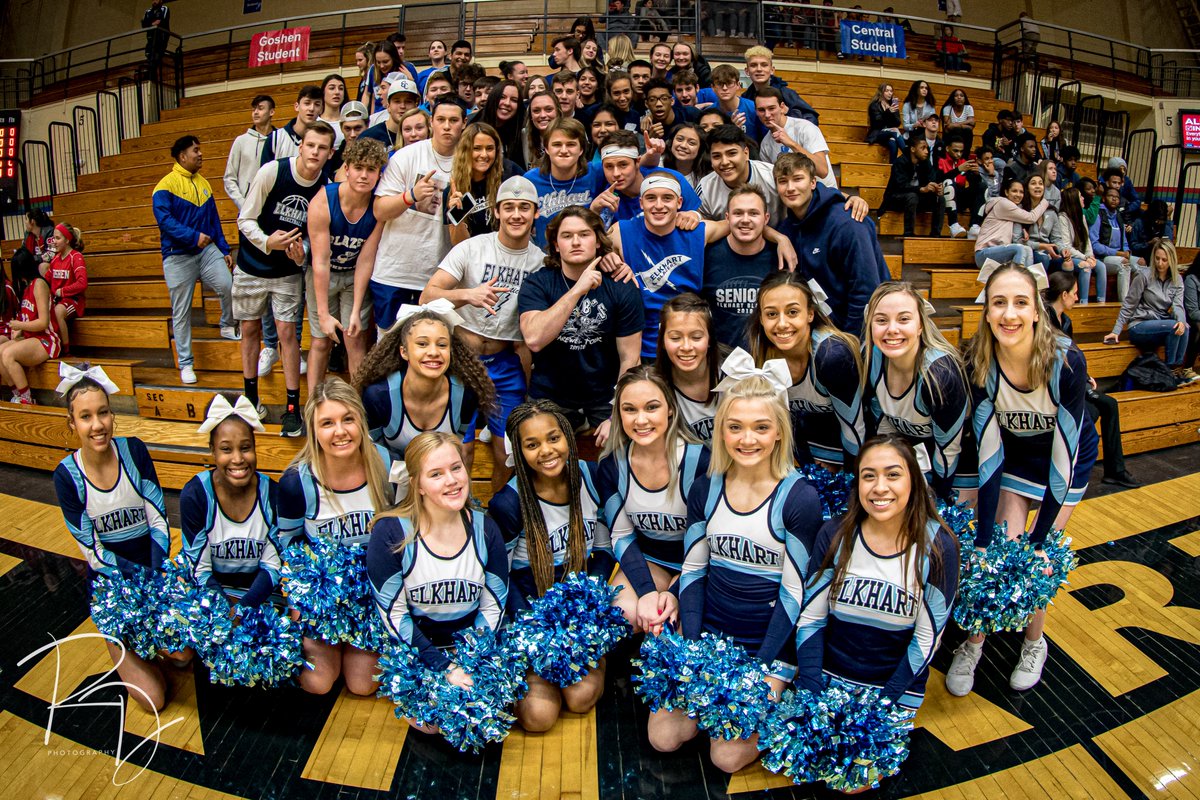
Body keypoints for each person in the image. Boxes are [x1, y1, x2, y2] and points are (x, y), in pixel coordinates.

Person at [650, 368, 822, 775]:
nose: (748, 439)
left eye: (761, 427)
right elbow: (692, 573)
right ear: (721, 431)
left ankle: (779, 703)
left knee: (726, 758)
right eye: (736, 427)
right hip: (710, 637)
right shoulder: (706, 488)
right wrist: (692, 652)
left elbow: (795, 595)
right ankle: (715, 712)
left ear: (779, 431)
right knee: (664, 737)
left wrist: (758, 669)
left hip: (767, 646)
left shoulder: (799, 498)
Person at [947, 263, 1098, 696]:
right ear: (986, 312)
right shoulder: (980, 358)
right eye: (999, 303)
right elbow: (991, 454)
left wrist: (1041, 541)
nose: (1009, 314)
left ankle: (1034, 642)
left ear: (1036, 311)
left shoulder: (1066, 360)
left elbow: (1063, 455)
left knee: (1038, 556)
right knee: (998, 546)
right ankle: (974, 642)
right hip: (1014, 456)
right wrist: (982, 540)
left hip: (1064, 459)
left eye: (1020, 303)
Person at [797, 436, 958, 724]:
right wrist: (811, 689)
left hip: (894, 691)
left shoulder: (937, 546)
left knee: (863, 769)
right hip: (827, 682)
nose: (880, 487)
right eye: (868, 476)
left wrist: (882, 705)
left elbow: (927, 639)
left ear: (915, 482)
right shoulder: (835, 534)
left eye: (893, 475)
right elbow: (811, 619)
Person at [366, 431, 509, 736]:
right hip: (420, 651)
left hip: (471, 649)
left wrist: (469, 662)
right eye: (436, 474)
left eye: (456, 468)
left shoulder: (486, 528)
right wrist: (443, 667)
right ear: (417, 485)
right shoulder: (391, 533)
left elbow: (494, 604)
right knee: (434, 724)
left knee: (483, 719)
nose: (452, 481)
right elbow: (394, 615)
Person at [488, 402, 614, 731]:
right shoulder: (508, 503)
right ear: (519, 451)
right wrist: (532, 628)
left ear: (568, 438)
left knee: (580, 698)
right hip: (530, 616)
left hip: (579, 617)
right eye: (532, 445)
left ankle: (594, 655)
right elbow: (499, 576)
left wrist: (587, 608)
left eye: (553, 438)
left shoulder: (590, 476)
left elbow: (602, 551)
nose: (546, 450)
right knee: (538, 718)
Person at [54, 367, 174, 710]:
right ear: (72, 423)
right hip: (112, 587)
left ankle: (146, 644)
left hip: (152, 572)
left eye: (103, 412)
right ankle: (117, 639)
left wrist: (154, 577)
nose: (97, 425)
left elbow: (159, 521)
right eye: (86, 416)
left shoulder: (133, 452)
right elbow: (93, 552)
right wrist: (135, 583)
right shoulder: (67, 476)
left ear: (112, 414)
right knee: (153, 701)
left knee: (181, 657)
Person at [422, 175, 544, 492]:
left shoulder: (541, 262)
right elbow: (428, 295)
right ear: (497, 212)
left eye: (524, 208)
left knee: (509, 452)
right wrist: (468, 295)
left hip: (505, 362)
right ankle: (461, 508)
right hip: (462, 359)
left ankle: (498, 518)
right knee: (459, 448)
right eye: (509, 207)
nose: (517, 214)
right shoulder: (472, 247)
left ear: (535, 213)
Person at [279, 378, 395, 696]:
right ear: (314, 430)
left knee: (362, 685)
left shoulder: (384, 464)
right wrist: (298, 605)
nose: (340, 431)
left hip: (370, 597)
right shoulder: (296, 481)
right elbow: (289, 548)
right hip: (322, 601)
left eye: (347, 419)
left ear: (361, 421)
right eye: (327, 423)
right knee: (318, 682)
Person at [236, 123, 335, 437]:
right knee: (250, 328)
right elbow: (245, 219)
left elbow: (316, 238)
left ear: (330, 153)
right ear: (301, 146)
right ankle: (251, 398)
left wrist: (301, 251)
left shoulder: (326, 187)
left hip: (288, 272)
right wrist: (268, 241)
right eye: (310, 145)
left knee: (287, 334)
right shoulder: (272, 171)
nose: (315, 152)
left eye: (322, 148)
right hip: (252, 264)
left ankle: (293, 408)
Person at [519, 206, 644, 440]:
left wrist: (616, 413)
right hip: (550, 396)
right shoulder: (538, 284)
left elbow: (630, 358)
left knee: (620, 451)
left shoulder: (621, 285)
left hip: (605, 397)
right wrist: (578, 290)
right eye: (566, 236)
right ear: (556, 245)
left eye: (584, 234)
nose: (575, 242)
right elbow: (534, 340)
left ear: (598, 241)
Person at [598, 367, 709, 631]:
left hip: (700, 566)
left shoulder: (700, 461)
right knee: (619, 615)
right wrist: (647, 592)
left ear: (670, 409)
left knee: (668, 629)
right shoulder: (613, 465)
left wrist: (677, 591)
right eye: (629, 409)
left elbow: (709, 539)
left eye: (651, 407)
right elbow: (622, 535)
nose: (641, 420)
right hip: (649, 561)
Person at [862, 283, 970, 500]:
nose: (892, 329)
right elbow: (884, 428)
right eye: (881, 320)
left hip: (958, 466)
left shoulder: (940, 375)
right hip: (910, 461)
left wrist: (936, 500)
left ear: (920, 325)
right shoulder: (871, 358)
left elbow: (948, 450)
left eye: (903, 319)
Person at [747, 271, 865, 469]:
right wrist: (805, 467)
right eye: (771, 314)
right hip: (808, 458)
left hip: (851, 458)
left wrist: (851, 484)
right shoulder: (762, 353)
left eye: (792, 312)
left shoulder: (832, 356)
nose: (782, 324)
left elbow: (855, 428)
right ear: (761, 318)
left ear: (810, 313)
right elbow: (784, 425)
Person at [356, 300, 491, 472]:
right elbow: (373, 455)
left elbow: (453, 449)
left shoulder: (465, 395)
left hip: (440, 481)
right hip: (389, 482)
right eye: (422, 344)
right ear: (404, 352)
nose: (434, 352)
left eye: (442, 345)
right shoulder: (379, 396)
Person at [180, 395, 281, 618]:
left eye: (245, 448)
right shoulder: (197, 495)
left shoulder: (272, 495)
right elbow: (199, 569)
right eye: (226, 449)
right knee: (180, 651)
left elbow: (272, 568)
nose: (238, 459)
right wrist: (226, 612)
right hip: (211, 595)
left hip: (260, 598)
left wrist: (242, 611)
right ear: (212, 451)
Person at [371, 98, 466, 332]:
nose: (446, 126)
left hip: (438, 276)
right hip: (395, 272)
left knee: (435, 344)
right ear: (431, 122)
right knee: (389, 345)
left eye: (453, 120)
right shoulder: (406, 156)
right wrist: (410, 196)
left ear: (464, 123)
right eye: (441, 120)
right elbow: (379, 210)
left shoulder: (468, 163)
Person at [1042, 272, 1142, 487]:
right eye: (1075, 294)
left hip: (1071, 383)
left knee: (1109, 404)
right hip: (1053, 389)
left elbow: (1071, 354)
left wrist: (1086, 377)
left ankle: (1115, 471)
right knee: (1096, 410)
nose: (1077, 298)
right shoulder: (1043, 320)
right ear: (1064, 294)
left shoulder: (1065, 321)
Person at [152, 135, 236, 385]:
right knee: (181, 312)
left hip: (206, 250)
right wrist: (192, 236)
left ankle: (226, 324)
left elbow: (215, 220)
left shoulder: (204, 184)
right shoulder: (163, 187)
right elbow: (165, 223)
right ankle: (186, 364)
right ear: (182, 157)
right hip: (177, 256)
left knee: (228, 285)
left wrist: (224, 248)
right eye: (195, 150)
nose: (200, 154)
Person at [305, 137, 387, 392]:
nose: (364, 175)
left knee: (355, 340)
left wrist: (354, 313)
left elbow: (365, 260)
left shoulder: (377, 206)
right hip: (323, 274)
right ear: (347, 168)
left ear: (378, 174)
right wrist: (323, 314)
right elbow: (320, 261)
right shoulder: (323, 200)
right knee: (320, 341)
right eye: (359, 168)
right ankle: (313, 409)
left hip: (354, 275)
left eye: (371, 169)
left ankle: (360, 408)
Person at [773, 153, 886, 335]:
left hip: (861, 333)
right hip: (823, 335)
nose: (790, 188)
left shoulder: (848, 222)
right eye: (783, 181)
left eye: (798, 179)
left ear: (813, 183)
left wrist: (852, 343)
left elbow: (865, 291)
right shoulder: (786, 230)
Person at [1106, 239, 1198, 384]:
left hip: (1160, 324)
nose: (1160, 263)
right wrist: (1116, 330)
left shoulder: (1177, 280)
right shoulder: (1144, 276)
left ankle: (1176, 369)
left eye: (1164, 260)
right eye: (1157, 258)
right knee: (1173, 326)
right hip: (1140, 324)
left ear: (1171, 261)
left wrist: (1181, 321)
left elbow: (1178, 306)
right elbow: (1129, 304)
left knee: (1184, 326)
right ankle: (1168, 372)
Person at [702, 186, 778, 348]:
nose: (745, 219)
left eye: (753, 213)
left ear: (766, 218)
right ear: (727, 218)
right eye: (738, 213)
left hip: (768, 359)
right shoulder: (707, 255)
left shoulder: (780, 257)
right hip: (720, 360)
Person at [655, 293, 724, 443]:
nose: (686, 347)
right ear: (662, 341)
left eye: (696, 337)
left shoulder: (736, 372)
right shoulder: (654, 386)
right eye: (675, 338)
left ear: (710, 339)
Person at [0, 245, 60, 403]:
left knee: (8, 354)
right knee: (0, 351)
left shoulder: (39, 284)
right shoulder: (27, 288)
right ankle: (17, 394)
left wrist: (20, 325)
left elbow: (43, 322)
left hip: (46, 339)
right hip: (31, 337)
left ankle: (27, 399)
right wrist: (19, 330)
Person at [754, 88, 835, 189]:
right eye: (761, 110)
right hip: (796, 199)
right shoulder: (765, 145)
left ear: (782, 108)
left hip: (824, 197)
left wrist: (792, 144)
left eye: (771, 108)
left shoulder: (805, 128)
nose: (767, 114)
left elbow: (823, 171)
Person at [973, 176, 1044, 269]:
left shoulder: (1013, 209)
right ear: (1006, 192)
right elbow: (1031, 218)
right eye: (1014, 191)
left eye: (1021, 192)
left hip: (1000, 252)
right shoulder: (1003, 203)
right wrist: (1044, 201)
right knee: (1020, 249)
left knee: (1028, 249)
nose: (1018, 195)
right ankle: (1016, 279)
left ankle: (1025, 280)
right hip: (983, 254)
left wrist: (1022, 229)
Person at [881, 138, 945, 238]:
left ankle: (936, 234)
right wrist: (921, 189)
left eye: (927, 148)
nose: (926, 151)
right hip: (896, 199)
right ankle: (908, 234)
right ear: (913, 149)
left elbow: (932, 179)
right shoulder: (900, 162)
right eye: (923, 148)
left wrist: (936, 188)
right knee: (912, 196)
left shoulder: (926, 162)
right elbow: (900, 186)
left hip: (917, 198)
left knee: (939, 198)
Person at [740, 46, 820, 126]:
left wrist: (789, 113)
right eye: (753, 65)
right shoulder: (745, 98)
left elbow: (812, 120)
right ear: (747, 71)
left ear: (772, 70)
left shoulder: (786, 94)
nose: (759, 69)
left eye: (764, 65)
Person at [223, 96, 276, 209]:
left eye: (260, 108)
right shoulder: (241, 141)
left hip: (274, 210)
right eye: (253, 109)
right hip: (247, 209)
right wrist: (243, 204)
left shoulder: (280, 139)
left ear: (271, 112)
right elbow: (229, 178)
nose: (256, 112)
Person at [44, 222, 88, 355]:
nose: (54, 242)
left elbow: (82, 283)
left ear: (67, 240)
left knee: (57, 312)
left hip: (74, 300)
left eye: (58, 238)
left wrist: (62, 291)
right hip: (59, 300)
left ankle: (66, 350)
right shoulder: (55, 260)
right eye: (54, 239)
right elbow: (47, 280)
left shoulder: (76, 257)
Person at [1090, 186, 1136, 302]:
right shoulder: (1098, 215)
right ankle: (1124, 306)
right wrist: (1118, 253)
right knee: (1124, 265)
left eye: (1117, 197)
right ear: (1104, 198)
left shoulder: (1119, 217)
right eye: (1111, 196)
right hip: (1102, 258)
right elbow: (1094, 245)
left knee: (1142, 266)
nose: (1114, 199)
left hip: (1119, 255)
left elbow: (1124, 242)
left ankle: (1138, 303)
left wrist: (1127, 251)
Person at [1053, 185, 1099, 300]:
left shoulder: (1082, 216)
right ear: (1073, 200)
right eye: (1080, 196)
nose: (1083, 198)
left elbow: (1087, 240)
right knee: (1085, 267)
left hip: (1082, 256)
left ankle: (1101, 301)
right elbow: (1067, 246)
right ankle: (1083, 302)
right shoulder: (1062, 218)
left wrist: (1090, 256)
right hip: (1067, 256)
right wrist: (1085, 258)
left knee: (1101, 266)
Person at [262, 86, 323, 165]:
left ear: (321, 110)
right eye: (307, 103)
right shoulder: (275, 138)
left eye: (317, 104)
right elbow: (264, 174)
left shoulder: (322, 140)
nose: (311, 108)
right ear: (296, 106)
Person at [938, 135, 984, 238]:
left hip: (960, 198)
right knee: (949, 182)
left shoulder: (963, 162)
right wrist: (958, 170)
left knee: (982, 186)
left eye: (961, 151)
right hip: (945, 198)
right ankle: (953, 225)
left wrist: (976, 175)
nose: (959, 154)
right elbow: (939, 179)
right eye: (955, 151)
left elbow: (974, 185)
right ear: (947, 148)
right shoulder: (941, 161)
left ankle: (974, 226)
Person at [359, 79, 421, 152]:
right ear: (388, 106)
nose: (403, 106)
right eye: (397, 101)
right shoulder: (370, 137)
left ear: (415, 106)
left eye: (408, 101)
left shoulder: (422, 136)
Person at [1023, 172, 1061, 274]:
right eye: (1033, 183)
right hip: (1029, 249)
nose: (1038, 186)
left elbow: (1056, 238)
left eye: (1040, 183)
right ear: (1027, 188)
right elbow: (1017, 240)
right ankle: (1040, 290)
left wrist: (1063, 250)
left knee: (1065, 262)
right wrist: (1042, 246)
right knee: (1043, 258)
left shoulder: (1051, 212)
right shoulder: (1021, 210)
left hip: (1047, 250)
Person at [522, 91, 563, 176]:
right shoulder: (523, 136)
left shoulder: (571, 135)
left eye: (549, 109)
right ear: (531, 116)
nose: (543, 115)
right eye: (536, 111)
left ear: (558, 112)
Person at [866, 82, 905, 161]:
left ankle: (893, 167)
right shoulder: (874, 105)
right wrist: (888, 112)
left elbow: (897, 123)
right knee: (895, 130)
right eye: (887, 91)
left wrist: (893, 112)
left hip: (889, 134)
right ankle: (909, 155)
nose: (890, 93)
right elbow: (876, 122)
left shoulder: (893, 105)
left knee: (893, 142)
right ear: (881, 92)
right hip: (877, 132)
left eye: (891, 91)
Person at [664, 122, 708, 189]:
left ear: (700, 149)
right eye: (679, 139)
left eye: (691, 143)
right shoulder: (657, 164)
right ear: (671, 141)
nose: (683, 145)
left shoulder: (706, 178)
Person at [318, 75, 348, 147]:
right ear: (323, 93)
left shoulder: (349, 121)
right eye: (332, 88)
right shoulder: (314, 121)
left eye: (341, 88)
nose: (337, 92)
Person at [141, 0, 170, 66]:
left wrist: (150, 23)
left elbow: (163, 21)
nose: (154, 1)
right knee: (149, 56)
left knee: (157, 57)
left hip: (161, 37)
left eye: (156, 0)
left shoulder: (164, 8)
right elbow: (143, 24)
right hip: (151, 37)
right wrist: (152, 23)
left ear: (161, 1)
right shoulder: (148, 11)